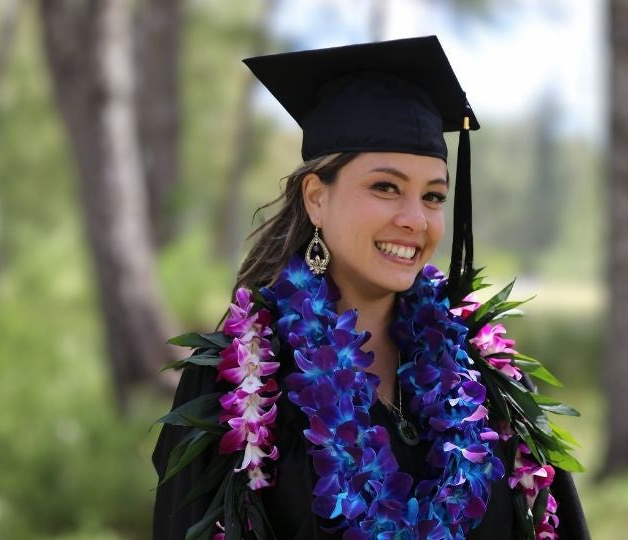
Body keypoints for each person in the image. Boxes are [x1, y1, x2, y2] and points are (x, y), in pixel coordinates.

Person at [152, 36, 589, 540]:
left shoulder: (486, 373)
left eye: (433, 196)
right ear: (316, 198)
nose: (414, 219)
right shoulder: (241, 386)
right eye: (385, 187)